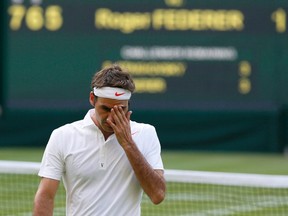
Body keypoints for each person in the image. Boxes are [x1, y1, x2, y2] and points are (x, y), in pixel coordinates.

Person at [33, 64, 166, 216]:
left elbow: (158, 195)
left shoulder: (146, 133)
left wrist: (128, 144)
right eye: (105, 109)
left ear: (128, 105)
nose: (111, 118)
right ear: (92, 99)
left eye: (120, 110)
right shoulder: (62, 135)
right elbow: (45, 195)